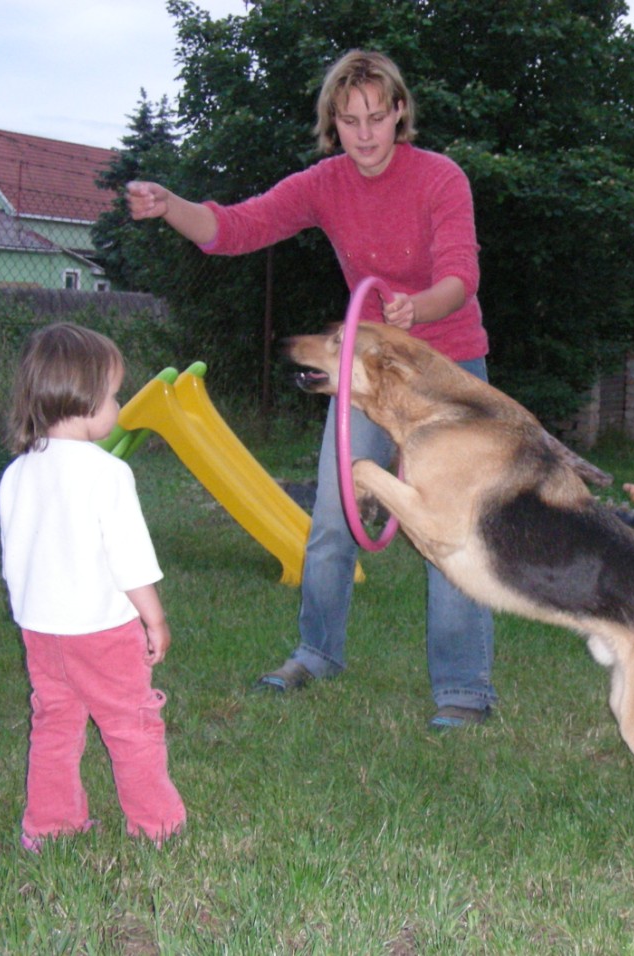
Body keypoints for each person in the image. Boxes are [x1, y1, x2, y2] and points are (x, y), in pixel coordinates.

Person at [126, 50, 496, 730]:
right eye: (349, 120)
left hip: (446, 370)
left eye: (376, 118)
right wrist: (171, 204)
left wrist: (421, 306)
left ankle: (463, 689)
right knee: (332, 517)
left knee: (449, 533)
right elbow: (236, 228)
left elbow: (460, 274)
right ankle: (316, 653)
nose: (364, 134)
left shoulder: (440, 178)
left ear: (399, 114)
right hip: (366, 372)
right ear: (333, 122)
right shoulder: (326, 183)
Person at [0, 323, 186, 851]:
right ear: (83, 403)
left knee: (55, 725)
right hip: (101, 632)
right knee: (132, 724)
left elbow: (15, 556)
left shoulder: (16, 473)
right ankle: (156, 825)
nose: (118, 405)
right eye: (112, 395)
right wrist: (155, 619)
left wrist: (30, 611)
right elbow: (130, 561)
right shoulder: (107, 474)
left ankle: (48, 827)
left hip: (43, 631)